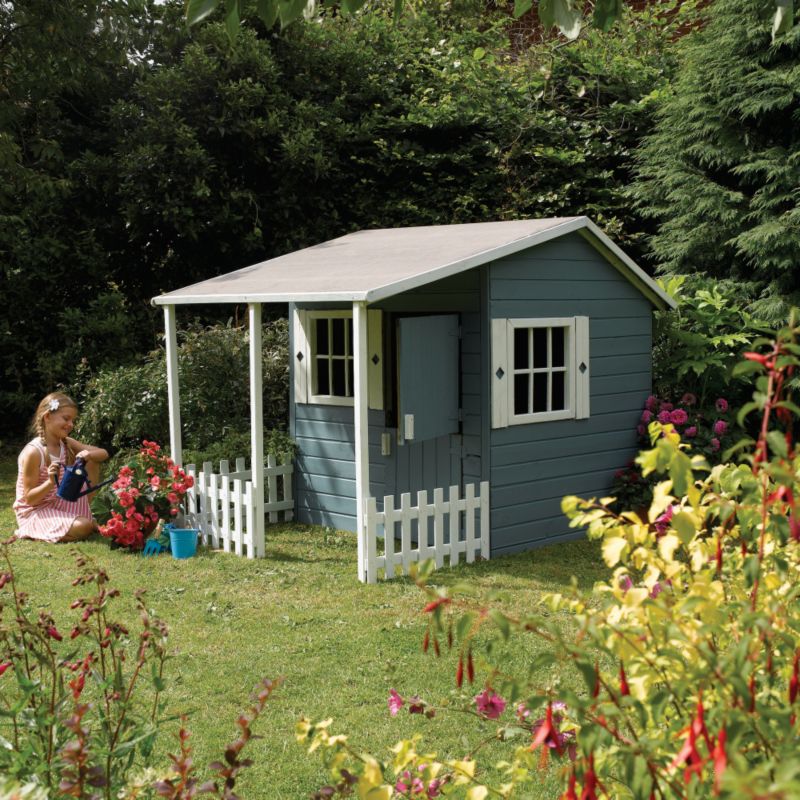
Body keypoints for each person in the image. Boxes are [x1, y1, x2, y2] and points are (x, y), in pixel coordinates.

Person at [14, 392, 109, 543]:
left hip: (58, 502)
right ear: (47, 417)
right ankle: (38, 531)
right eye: (66, 418)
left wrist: (88, 455)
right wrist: (50, 482)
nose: (70, 424)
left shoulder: (65, 442)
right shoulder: (34, 452)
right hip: (35, 511)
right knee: (84, 526)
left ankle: (83, 515)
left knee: (92, 460)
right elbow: (30, 499)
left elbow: (103, 453)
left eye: (73, 420)